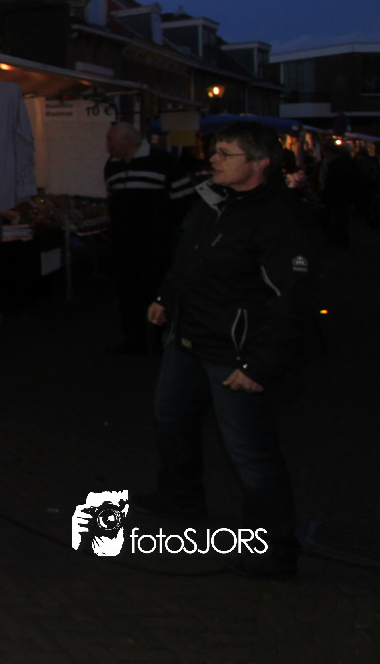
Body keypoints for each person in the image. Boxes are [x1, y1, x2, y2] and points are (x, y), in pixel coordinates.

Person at [143, 120, 319, 576]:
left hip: (235, 352)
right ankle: (181, 497)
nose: (214, 160)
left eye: (225, 153)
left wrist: (260, 364)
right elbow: (189, 256)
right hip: (189, 337)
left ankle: (273, 549)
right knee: (171, 417)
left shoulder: (280, 218)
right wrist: (166, 297)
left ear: (259, 163)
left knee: (251, 452)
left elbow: (292, 299)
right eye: (215, 151)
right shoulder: (213, 200)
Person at [103, 122, 192, 354]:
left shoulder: (163, 161)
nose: (107, 145)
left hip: (155, 242)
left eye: (111, 139)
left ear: (127, 140)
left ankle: (163, 340)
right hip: (124, 242)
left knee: (157, 289)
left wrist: (165, 227)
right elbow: (113, 199)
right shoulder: (112, 166)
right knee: (127, 291)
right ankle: (134, 340)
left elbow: (184, 197)